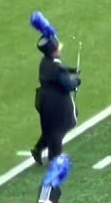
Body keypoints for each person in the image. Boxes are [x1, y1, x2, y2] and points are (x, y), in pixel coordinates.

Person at [29, 12, 80, 165]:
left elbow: (59, 70)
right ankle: (54, 159)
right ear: (54, 51)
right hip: (57, 103)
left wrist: (71, 71)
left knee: (50, 128)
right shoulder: (57, 68)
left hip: (44, 100)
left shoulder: (45, 62)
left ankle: (38, 149)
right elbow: (68, 84)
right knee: (60, 128)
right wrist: (77, 81)